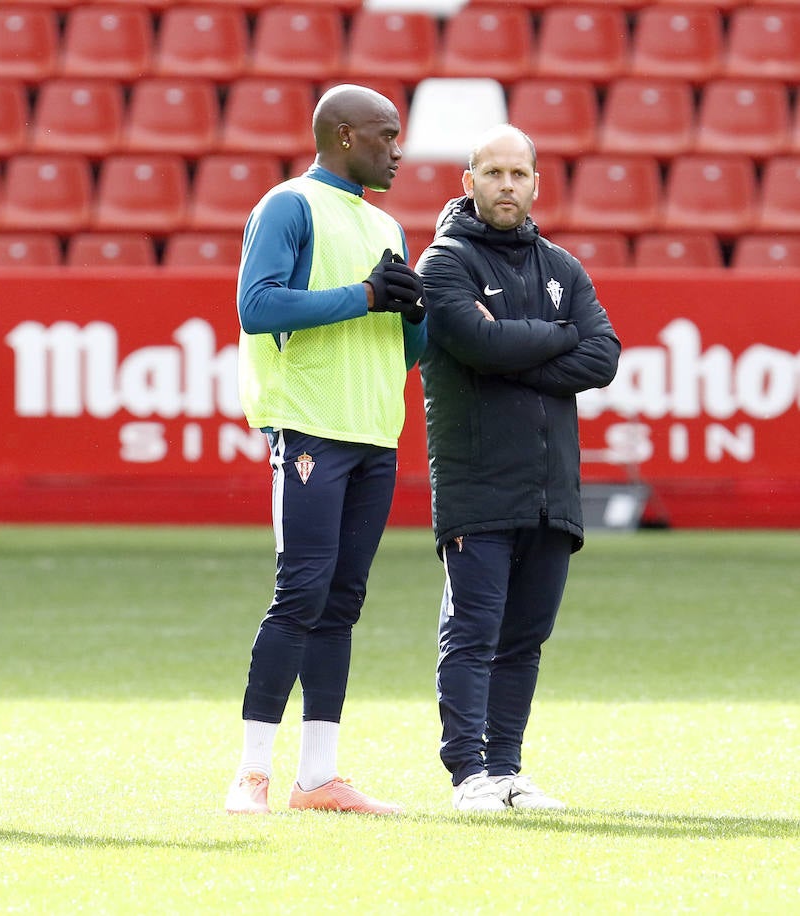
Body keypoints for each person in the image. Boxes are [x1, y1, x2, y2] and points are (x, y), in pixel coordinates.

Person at [225, 84, 427, 816]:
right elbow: (258, 305)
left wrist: (414, 312)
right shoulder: (288, 206)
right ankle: (251, 772)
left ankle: (319, 777)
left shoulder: (389, 226)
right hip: (311, 426)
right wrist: (366, 297)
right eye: (386, 135)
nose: (397, 149)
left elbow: (405, 350)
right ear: (344, 136)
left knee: (341, 601)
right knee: (301, 590)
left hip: (376, 433)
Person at [416, 124, 620, 812]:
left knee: (526, 638)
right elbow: (474, 343)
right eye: (493, 173)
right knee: (473, 633)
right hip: (477, 481)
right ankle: (467, 775)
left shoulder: (562, 267)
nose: (508, 185)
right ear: (468, 183)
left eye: (519, 174)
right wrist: (555, 340)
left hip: (550, 488)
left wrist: (515, 347)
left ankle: (506, 769)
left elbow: (604, 357)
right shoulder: (443, 264)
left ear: (536, 184)